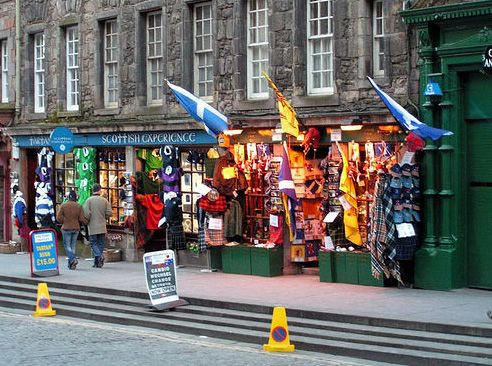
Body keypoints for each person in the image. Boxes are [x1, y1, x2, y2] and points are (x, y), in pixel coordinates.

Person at [56, 190, 87, 270]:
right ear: (75, 198)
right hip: (76, 228)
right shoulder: (79, 206)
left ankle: (73, 259)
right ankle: (71, 264)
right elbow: (81, 218)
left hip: (66, 228)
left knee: (67, 246)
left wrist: (64, 221)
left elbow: (58, 218)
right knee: (73, 245)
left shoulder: (64, 205)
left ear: (69, 197)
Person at [83, 183, 112, 268]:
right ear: (100, 190)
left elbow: (86, 214)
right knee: (100, 244)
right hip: (102, 226)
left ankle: (99, 257)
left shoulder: (88, 200)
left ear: (93, 190)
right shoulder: (104, 200)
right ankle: (97, 263)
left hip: (92, 226)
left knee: (93, 243)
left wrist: (88, 220)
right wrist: (103, 217)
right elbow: (109, 213)